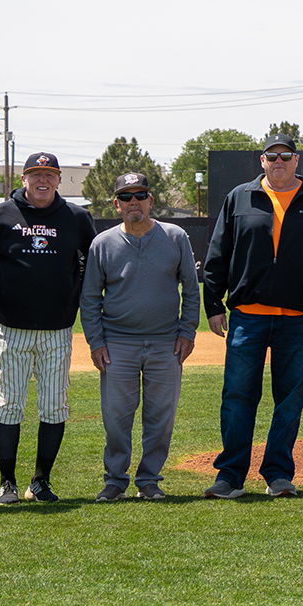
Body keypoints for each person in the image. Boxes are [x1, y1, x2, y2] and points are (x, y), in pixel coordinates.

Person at [201, 134, 303, 499]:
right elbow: (218, 253)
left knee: (290, 398)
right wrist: (214, 305)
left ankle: (278, 473)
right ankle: (230, 475)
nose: (278, 161)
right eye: (272, 156)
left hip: (296, 317)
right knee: (237, 395)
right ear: (262, 161)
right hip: (247, 316)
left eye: (285, 156)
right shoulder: (240, 197)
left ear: (297, 161)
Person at [0, 150, 96, 505]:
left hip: (57, 329)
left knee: (55, 407)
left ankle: (40, 480)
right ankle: (7, 482)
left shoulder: (76, 217)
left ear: (59, 179)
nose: (43, 180)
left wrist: (76, 296)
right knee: (9, 405)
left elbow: (93, 262)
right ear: (23, 179)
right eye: (35, 174)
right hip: (12, 328)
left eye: (50, 174)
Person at [81, 172, 200, 501]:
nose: (134, 202)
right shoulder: (102, 244)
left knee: (160, 417)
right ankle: (115, 480)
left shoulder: (175, 237)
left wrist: (187, 331)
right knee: (116, 417)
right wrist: (96, 342)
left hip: (165, 343)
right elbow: (90, 297)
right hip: (118, 343)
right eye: (127, 197)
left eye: (140, 195)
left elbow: (191, 289)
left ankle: (149, 479)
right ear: (117, 204)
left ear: (150, 201)